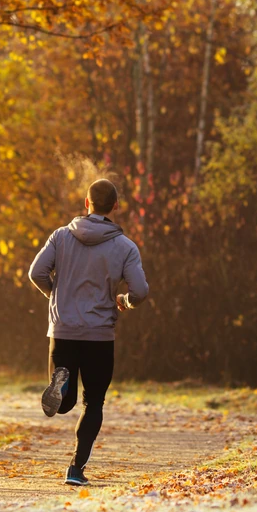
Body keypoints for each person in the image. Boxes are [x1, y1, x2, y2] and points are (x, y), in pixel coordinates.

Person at [27, 178, 148, 486]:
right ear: (116, 206)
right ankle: (75, 468)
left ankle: (61, 384)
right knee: (93, 402)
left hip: (63, 329)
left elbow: (36, 272)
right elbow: (140, 291)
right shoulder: (125, 247)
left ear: (86, 203)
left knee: (64, 402)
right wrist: (125, 301)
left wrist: (55, 295)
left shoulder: (60, 236)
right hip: (99, 335)